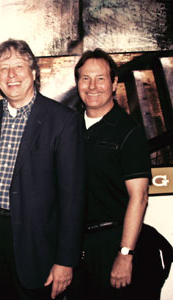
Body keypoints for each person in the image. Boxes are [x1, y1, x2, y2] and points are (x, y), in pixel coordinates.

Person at [0, 39, 85, 300]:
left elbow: (73, 199)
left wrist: (65, 261)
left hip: (38, 244)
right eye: (3, 68)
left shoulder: (63, 121)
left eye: (19, 67)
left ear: (33, 73)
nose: (11, 75)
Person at [67, 48, 154, 300]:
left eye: (101, 78)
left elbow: (139, 198)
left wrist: (125, 254)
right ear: (77, 83)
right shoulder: (67, 127)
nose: (92, 86)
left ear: (114, 83)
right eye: (85, 78)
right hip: (74, 246)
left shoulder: (129, 132)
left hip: (112, 242)